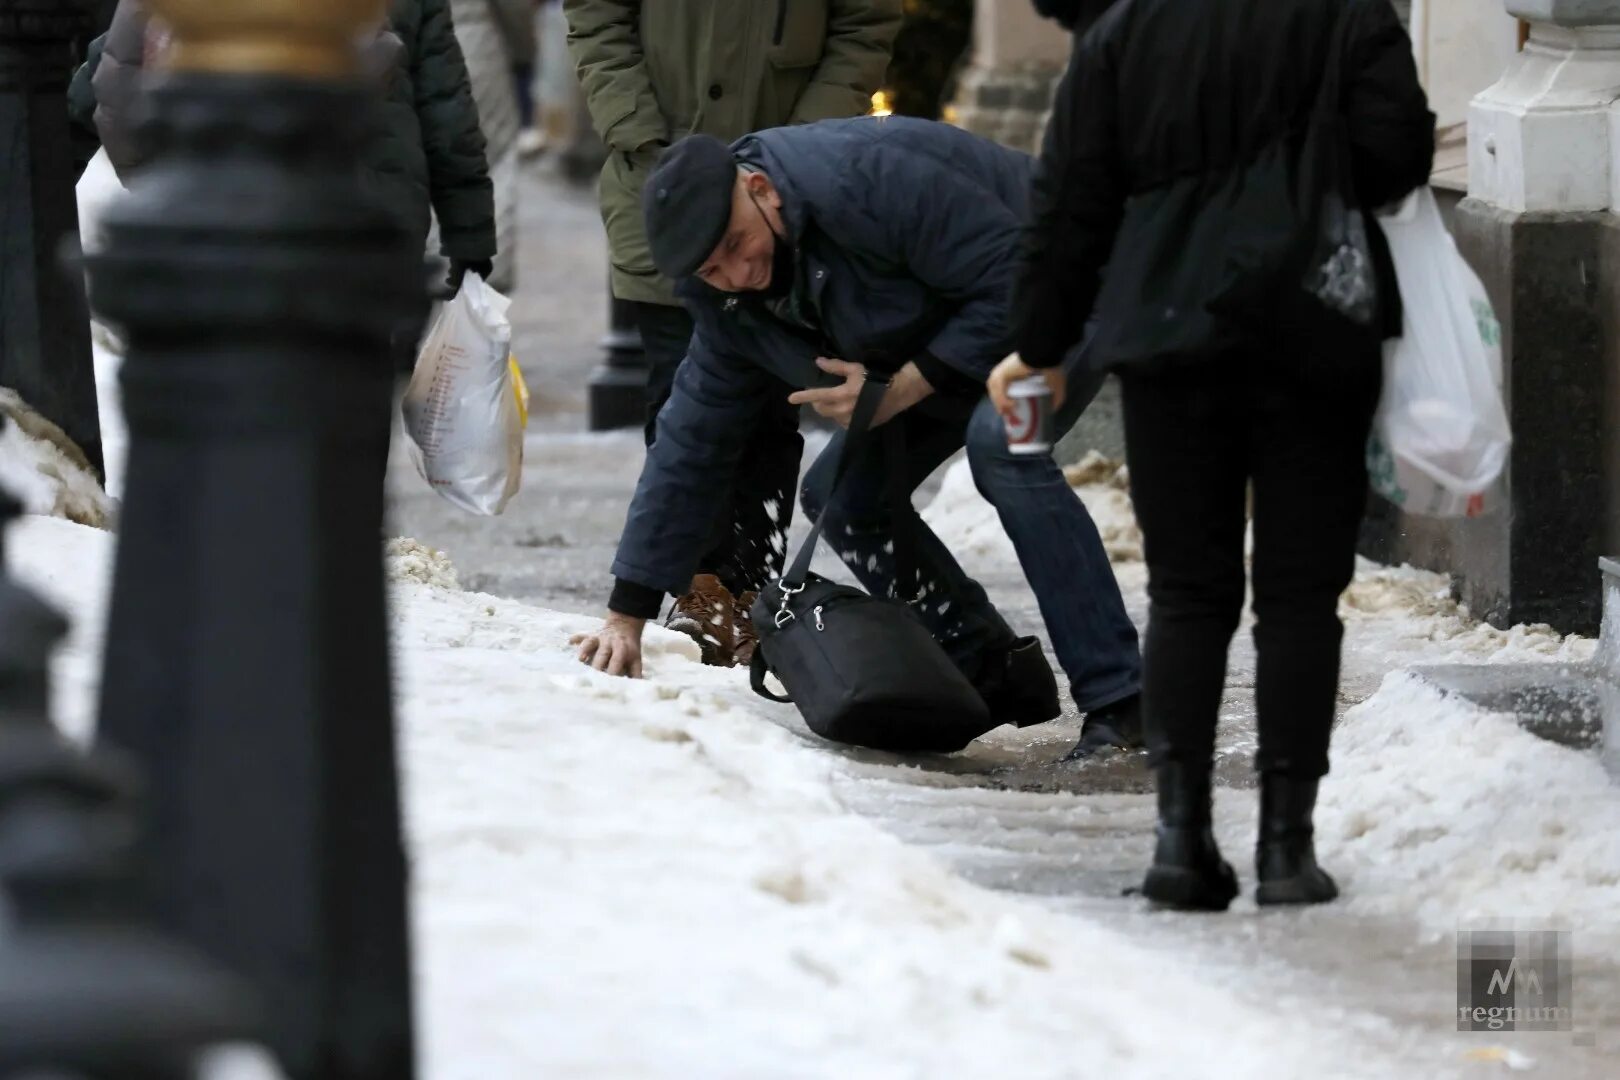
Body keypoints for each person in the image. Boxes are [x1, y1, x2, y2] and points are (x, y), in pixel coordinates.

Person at [992, 0, 1434, 909]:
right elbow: (1398, 158)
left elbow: (1071, 199)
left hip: (1167, 333)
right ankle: (1285, 848)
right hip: (1315, 323)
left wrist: (1037, 342)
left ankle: (1180, 841)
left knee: (1189, 594)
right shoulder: (1350, 12)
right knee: (1302, 597)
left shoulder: (1127, 28)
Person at [570, 117, 1145, 758]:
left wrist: (903, 387)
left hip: (1062, 294)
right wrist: (629, 610)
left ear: (762, 189)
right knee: (843, 498)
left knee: (1004, 447)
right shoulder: (728, 304)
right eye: (712, 269)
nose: (737, 273)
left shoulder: (864, 180)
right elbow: (690, 442)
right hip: (949, 341)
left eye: (736, 244)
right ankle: (991, 671)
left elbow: (1015, 275)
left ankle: (1121, 704)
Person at [564, 0, 902, 666]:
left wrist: (797, 146)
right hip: (658, 181)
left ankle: (749, 584)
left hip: (780, 201)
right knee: (677, 399)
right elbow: (595, 16)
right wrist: (639, 128)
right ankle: (698, 590)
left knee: (775, 403)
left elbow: (866, 23)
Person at [69, 0, 497, 302]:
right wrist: (470, 236)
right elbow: (446, 111)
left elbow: (104, 77)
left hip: (222, 220)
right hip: (371, 219)